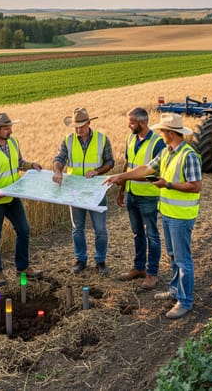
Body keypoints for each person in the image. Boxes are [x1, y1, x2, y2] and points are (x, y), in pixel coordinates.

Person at [103, 113, 201, 320]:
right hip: (167, 212)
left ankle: (184, 301)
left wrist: (168, 185)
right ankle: (175, 290)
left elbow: (195, 186)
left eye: (163, 131)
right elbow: (146, 170)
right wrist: (121, 177)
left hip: (181, 216)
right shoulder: (167, 152)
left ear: (171, 133)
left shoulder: (188, 155)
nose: (161, 134)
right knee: (174, 256)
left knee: (183, 260)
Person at [0, 112, 44, 287]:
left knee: (24, 229)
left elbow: (19, 163)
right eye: (7, 128)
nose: (11, 131)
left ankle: (22, 267)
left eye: (10, 127)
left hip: (13, 196)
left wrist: (31, 165)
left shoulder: (13, 142)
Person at [52, 107, 115, 275]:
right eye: (76, 126)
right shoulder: (68, 140)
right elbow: (59, 159)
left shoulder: (102, 139)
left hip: (96, 190)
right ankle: (81, 260)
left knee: (100, 229)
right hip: (75, 191)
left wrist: (98, 171)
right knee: (77, 228)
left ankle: (100, 261)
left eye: (81, 125)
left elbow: (110, 162)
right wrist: (58, 171)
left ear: (89, 123)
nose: (78, 129)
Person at [115, 107, 166, 290]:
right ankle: (138, 268)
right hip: (132, 194)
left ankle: (152, 273)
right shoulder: (131, 138)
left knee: (152, 235)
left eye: (131, 122)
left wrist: (124, 178)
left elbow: (154, 174)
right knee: (137, 234)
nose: (129, 126)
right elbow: (128, 165)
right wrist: (121, 189)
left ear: (142, 123)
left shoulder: (158, 143)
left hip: (148, 197)